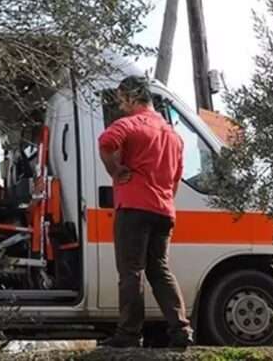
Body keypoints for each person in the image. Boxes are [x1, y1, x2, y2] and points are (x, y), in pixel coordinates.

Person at [97, 75, 194, 348]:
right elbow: (175, 178)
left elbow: (106, 142)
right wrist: (164, 200)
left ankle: (129, 334)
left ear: (131, 97)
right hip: (164, 210)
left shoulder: (130, 124)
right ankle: (181, 330)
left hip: (133, 207)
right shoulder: (173, 136)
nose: (121, 107)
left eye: (121, 101)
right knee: (160, 269)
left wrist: (115, 171)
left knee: (131, 272)